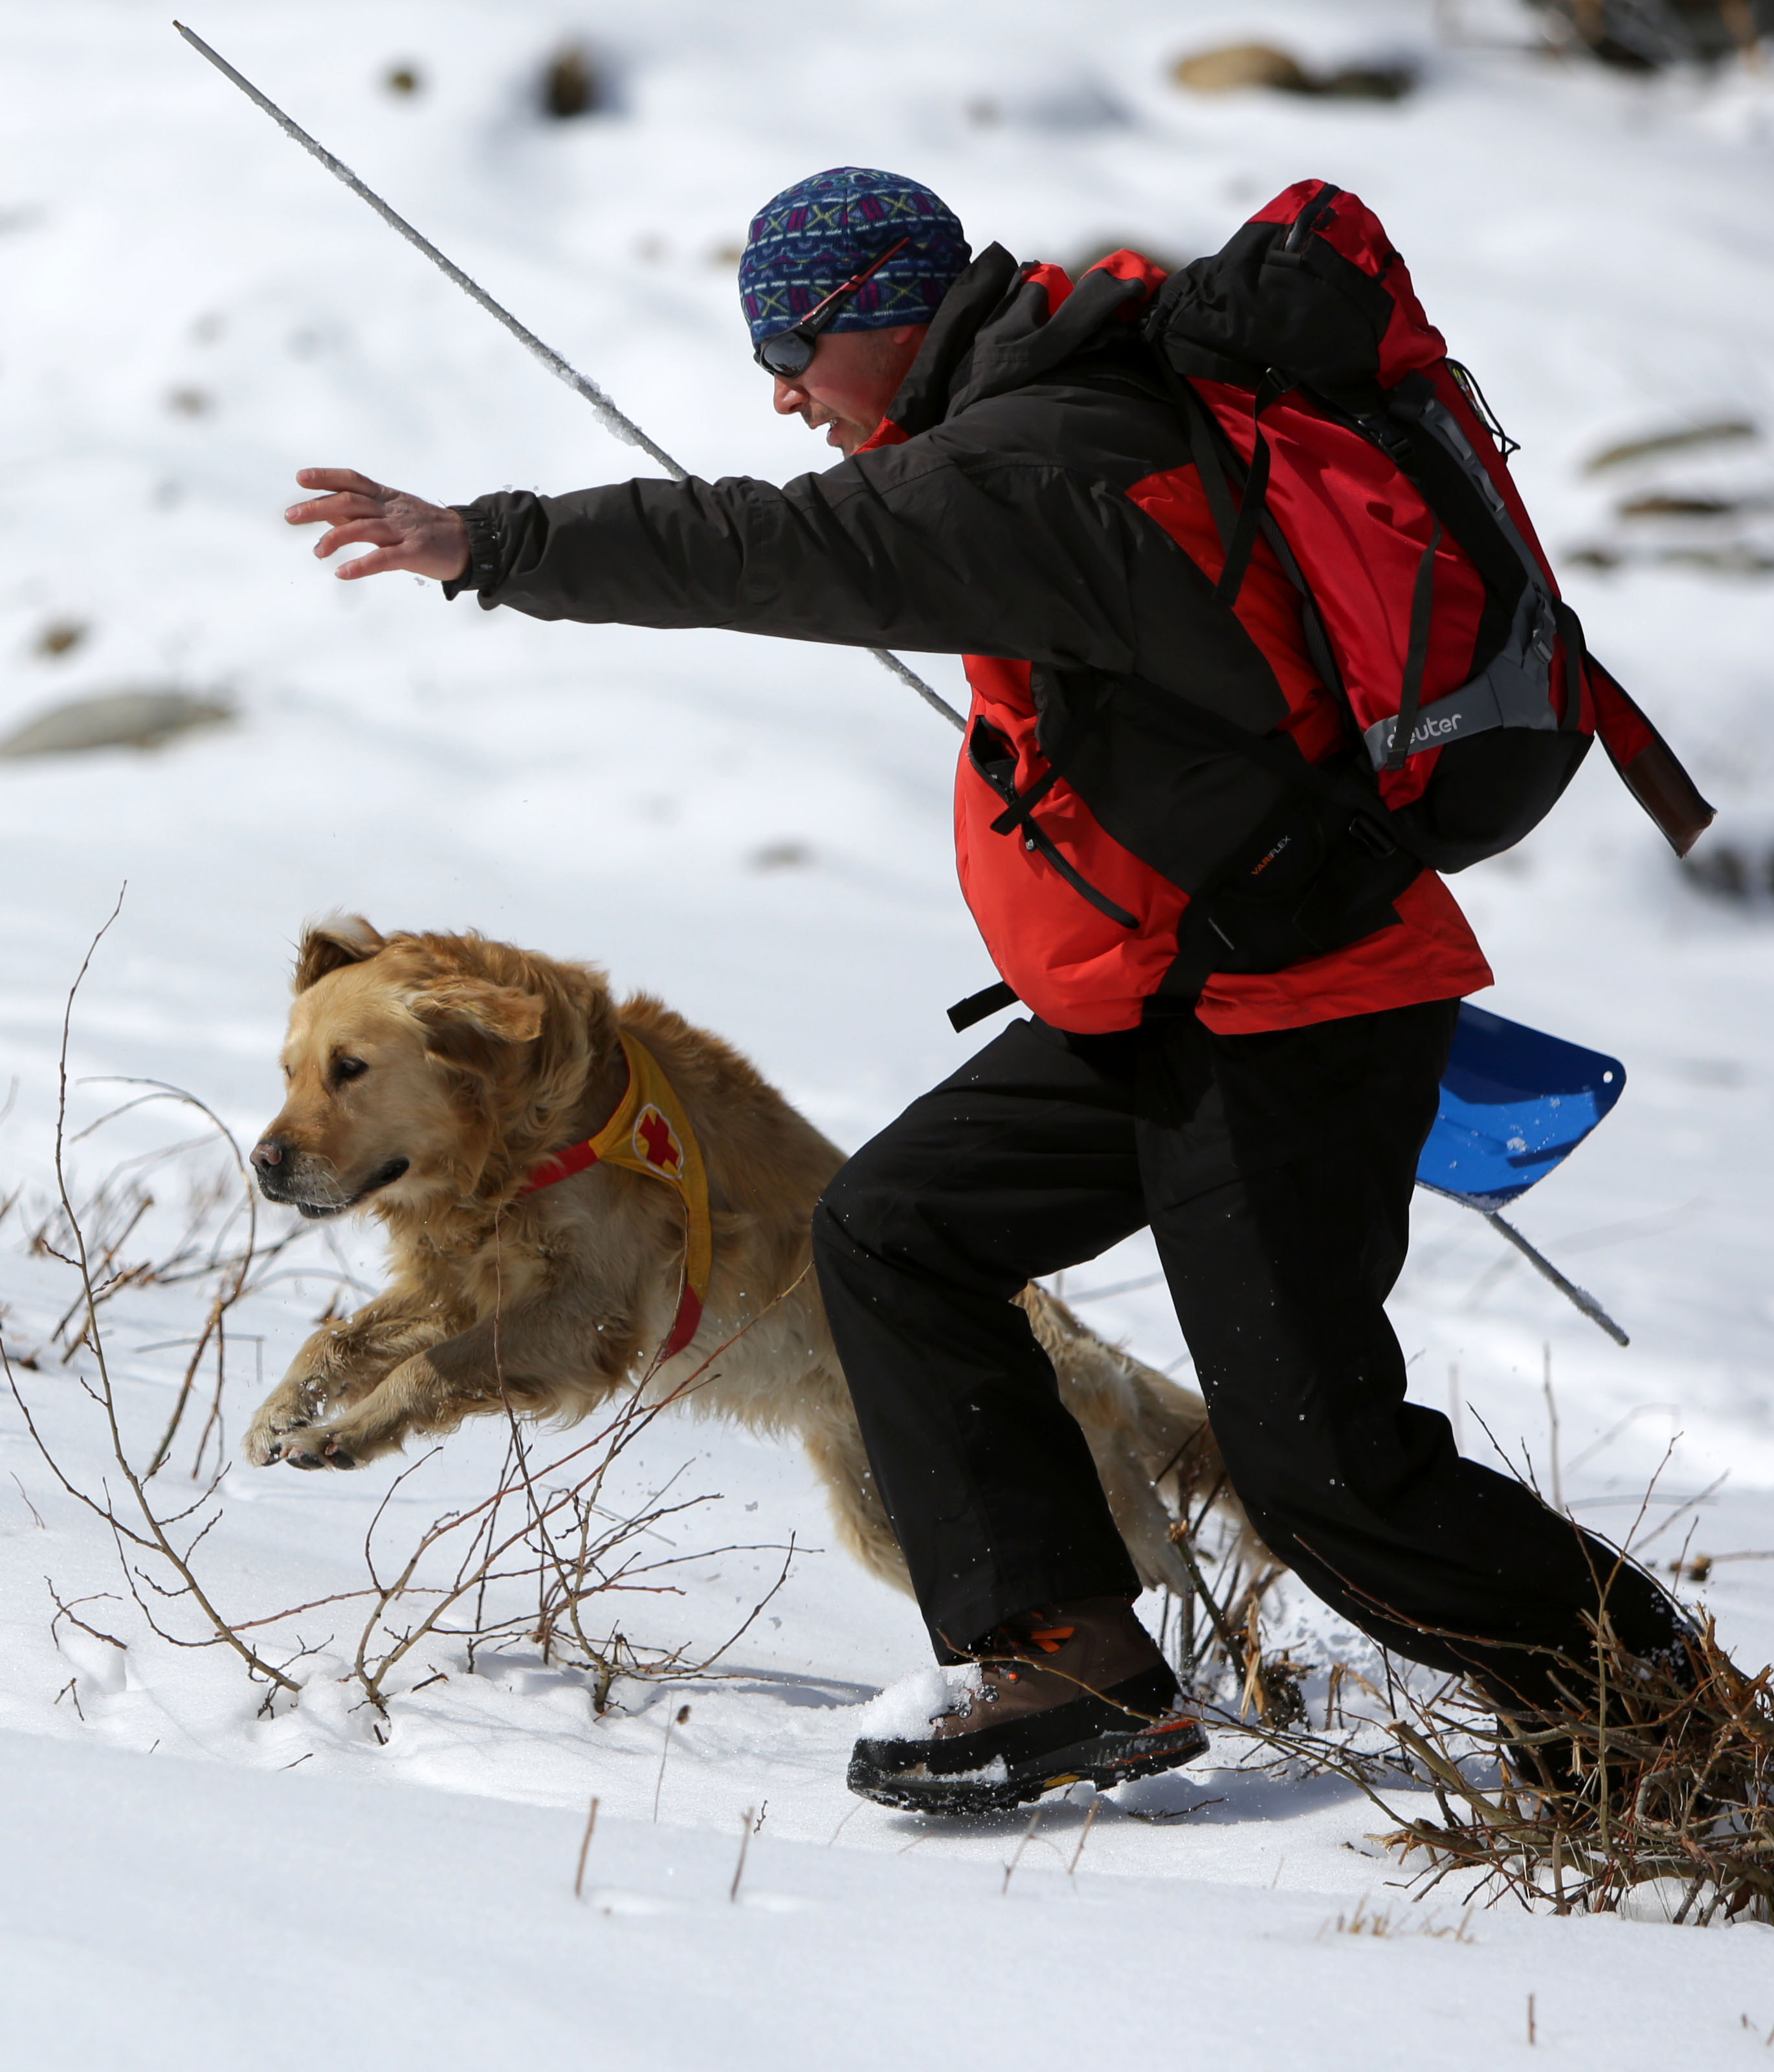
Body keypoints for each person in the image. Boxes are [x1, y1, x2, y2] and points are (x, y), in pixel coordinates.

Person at [286, 166, 1687, 1813]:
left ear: (887, 307)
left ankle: (1658, 1708)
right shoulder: (1047, 421)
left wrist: (491, 542)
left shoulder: (1034, 460)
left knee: (1315, 1462)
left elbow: (771, 548)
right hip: (1180, 993)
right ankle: (1068, 1654)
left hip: (1287, 1005)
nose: (785, 395)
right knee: (894, 1230)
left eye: (794, 350)